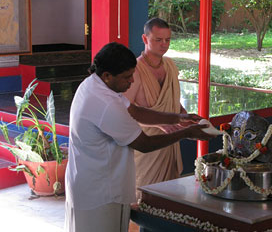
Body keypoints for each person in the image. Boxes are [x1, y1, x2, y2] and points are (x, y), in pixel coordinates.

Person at [64, 42, 216, 232]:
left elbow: (135, 112)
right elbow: (144, 143)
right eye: (127, 77)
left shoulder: (95, 84)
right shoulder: (105, 104)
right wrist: (186, 133)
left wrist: (178, 117)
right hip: (100, 193)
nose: (132, 82)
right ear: (107, 75)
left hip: (92, 183)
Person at [123, 18, 187, 199]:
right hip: (146, 146)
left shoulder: (171, 66)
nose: (164, 44)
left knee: (168, 198)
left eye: (167, 40)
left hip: (169, 143)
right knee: (143, 196)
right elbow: (126, 110)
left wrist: (184, 115)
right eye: (158, 40)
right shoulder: (135, 70)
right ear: (145, 39)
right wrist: (160, 124)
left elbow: (173, 101)